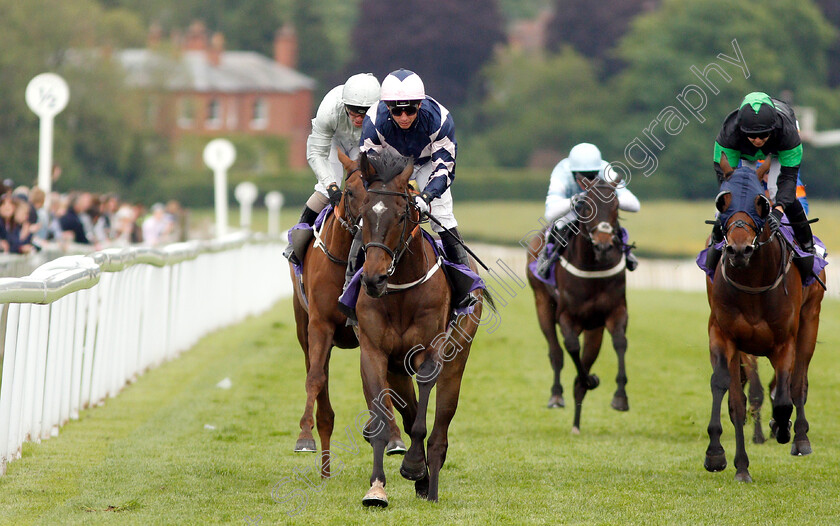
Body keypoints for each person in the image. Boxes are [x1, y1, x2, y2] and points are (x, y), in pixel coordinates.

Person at [343, 68, 471, 312]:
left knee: (443, 220)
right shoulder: (373, 120)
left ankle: (464, 292)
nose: (403, 116)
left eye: (410, 109)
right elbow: (368, 168)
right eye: (397, 110)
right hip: (388, 167)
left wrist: (426, 197)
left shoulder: (441, 119)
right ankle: (349, 287)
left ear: (420, 105)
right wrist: (381, 195)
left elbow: (444, 168)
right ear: (387, 107)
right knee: (369, 220)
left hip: (427, 165)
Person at [707, 92, 815, 270]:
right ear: (742, 130)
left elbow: (789, 179)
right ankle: (715, 245)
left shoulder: (788, 134)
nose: (758, 140)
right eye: (753, 136)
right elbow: (726, 182)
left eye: (763, 135)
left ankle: (807, 247)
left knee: (774, 189)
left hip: (777, 150)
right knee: (731, 198)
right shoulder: (728, 134)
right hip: (742, 152)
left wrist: (778, 211)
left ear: (771, 130)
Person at [284, 73, 381, 265]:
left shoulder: (382, 114)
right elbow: (316, 154)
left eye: (365, 112)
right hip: (333, 141)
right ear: (344, 105)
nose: (359, 118)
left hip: (363, 143)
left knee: (370, 187)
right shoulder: (329, 110)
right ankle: (299, 238)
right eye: (353, 111)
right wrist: (331, 186)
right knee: (325, 189)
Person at [535, 143, 640, 278]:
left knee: (610, 220)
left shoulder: (604, 169)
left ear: (598, 171)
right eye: (582, 176)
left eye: (592, 176)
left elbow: (635, 205)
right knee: (559, 224)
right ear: (572, 173)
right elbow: (550, 214)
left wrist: (607, 200)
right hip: (571, 211)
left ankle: (626, 251)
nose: (587, 181)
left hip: (597, 211)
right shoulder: (561, 172)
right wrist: (575, 200)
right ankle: (549, 255)